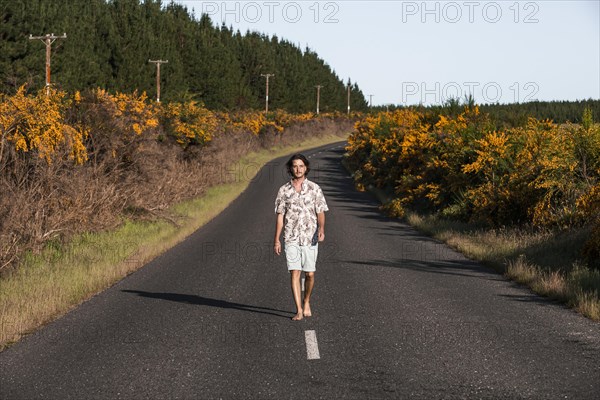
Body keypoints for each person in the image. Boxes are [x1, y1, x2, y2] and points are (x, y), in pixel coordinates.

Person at [274, 154, 328, 321]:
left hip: (309, 237)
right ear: (291, 168)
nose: (298, 169)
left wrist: (321, 228)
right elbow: (280, 216)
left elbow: (320, 212)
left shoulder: (314, 188)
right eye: (295, 166)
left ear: (306, 168)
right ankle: (298, 310)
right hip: (291, 237)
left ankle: (306, 301)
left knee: (310, 274)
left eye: (301, 166)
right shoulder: (284, 190)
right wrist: (277, 239)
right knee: (295, 272)